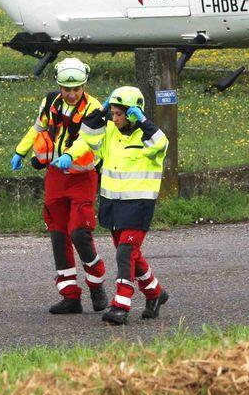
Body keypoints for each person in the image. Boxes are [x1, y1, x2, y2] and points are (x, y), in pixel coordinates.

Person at [53, 86, 169, 325]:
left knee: (125, 253)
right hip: (113, 205)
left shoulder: (147, 138)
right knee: (131, 254)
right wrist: (100, 111)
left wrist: (143, 120)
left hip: (139, 206)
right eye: (112, 113)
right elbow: (87, 136)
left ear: (134, 113)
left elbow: (161, 143)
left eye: (119, 114)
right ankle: (156, 293)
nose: (114, 119)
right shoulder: (109, 132)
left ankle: (121, 305)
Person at [11, 57, 109, 314]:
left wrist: (70, 154)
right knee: (58, 233)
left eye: (77, 89)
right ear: (59, 86)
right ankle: (69, 296)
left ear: (84, 86)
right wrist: (20, 151)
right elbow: (38, 128)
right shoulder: (51, 101)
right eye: (67, 89)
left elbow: (88, 140)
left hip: (81, 177)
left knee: (79, 231)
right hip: (55, 175)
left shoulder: (95, 109)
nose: (71, 94)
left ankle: (96, 285)